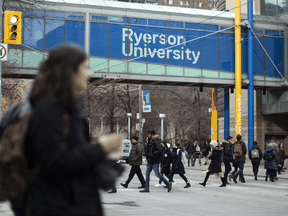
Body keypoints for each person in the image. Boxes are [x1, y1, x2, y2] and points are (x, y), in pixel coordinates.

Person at [17, 45, 121, 216]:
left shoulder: (68, 112)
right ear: (69, 72)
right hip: (56, 207)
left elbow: (77, 166)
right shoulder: (49, 111)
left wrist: (105, 157)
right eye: (85, 68)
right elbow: (55, 163)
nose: (89, 74)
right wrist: (100, 147)